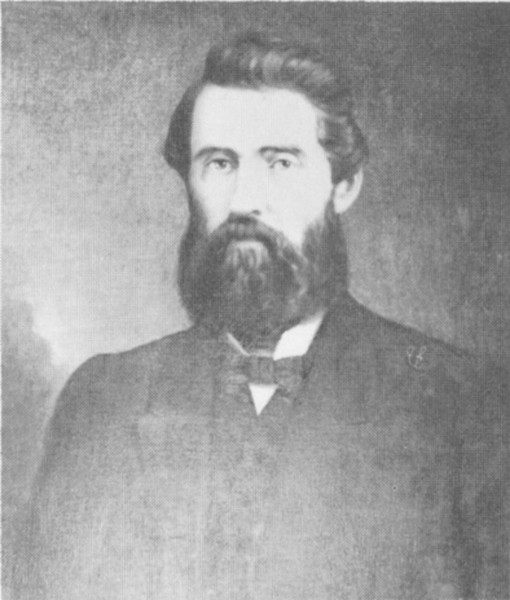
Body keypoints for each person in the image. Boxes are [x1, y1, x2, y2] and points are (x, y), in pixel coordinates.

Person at [12, 32, 508, 600]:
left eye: (280, 162)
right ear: (189, 181)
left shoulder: (463, 406)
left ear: (344, 186)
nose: (246, 198)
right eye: (220, 163)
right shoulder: (103, 401)